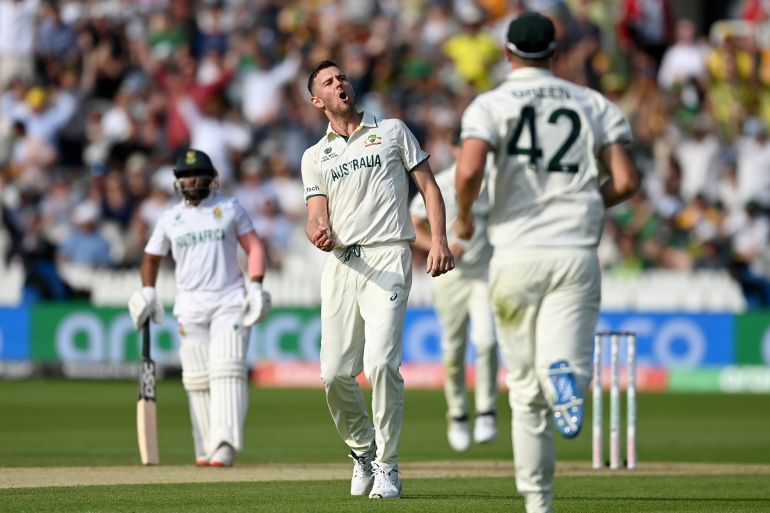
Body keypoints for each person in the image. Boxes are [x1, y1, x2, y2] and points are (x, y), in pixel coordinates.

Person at [454, 13, 640, 513]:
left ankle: (538, 502)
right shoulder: (593, 103)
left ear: (508, 54)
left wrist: (466, 218)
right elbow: (625, 180)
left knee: (523, 391)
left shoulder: (490, 104)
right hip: (575, 252)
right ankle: (568, 379)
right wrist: (584, 203)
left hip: (514, 254)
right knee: (565, 369)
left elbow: (469, 167)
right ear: (555, 54)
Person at [301, 60, 454, 499]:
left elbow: (428, 187)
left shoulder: (391, 130)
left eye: (342, 77)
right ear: (318, 101)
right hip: (343, 264)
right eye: (328, 83)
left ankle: (387, 465)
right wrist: (318, 233)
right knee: (333, 374)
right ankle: (362, 452)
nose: (340, 84)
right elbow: (316, 215)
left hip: (388, 254)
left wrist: (439, 240)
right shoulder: (316, 155)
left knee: (381, 364)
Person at [128, 148, 271, 467]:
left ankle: (224, 444)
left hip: (229, 300)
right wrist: (148, 292)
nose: (191, 181)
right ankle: (206, 445)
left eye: (197, 176)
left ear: (212, 179)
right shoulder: (170, 218)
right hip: (189, 307)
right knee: (196, 377)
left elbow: (254, 246)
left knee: (228, 370)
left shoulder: (229, 207)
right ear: (177, 183)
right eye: (184, 177)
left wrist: (257, 284)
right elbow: (151, 258)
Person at [409, 128, 499, 452]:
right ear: (455, 149)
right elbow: (413, 225)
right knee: (454, 349)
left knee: (487, 341)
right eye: (468, 148)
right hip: (450, 276)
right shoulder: (443, 183)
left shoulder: (493, 184)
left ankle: (487, 410)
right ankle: (459, 414)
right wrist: (439, 244)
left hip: (485, 274)